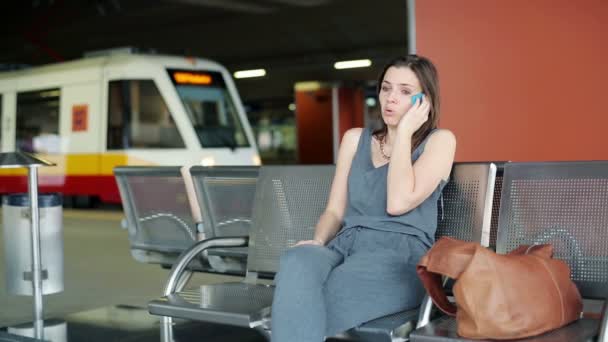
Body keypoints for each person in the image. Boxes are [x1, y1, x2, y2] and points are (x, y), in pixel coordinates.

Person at [270, 55, 457, 342]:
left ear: (425, 101)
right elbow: (334, 211)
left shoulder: (440, 141)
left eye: (405, 92)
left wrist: (404, 133)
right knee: (298, 258)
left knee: (312, 300)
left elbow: (398, 202)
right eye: (386, 88)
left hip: (398, 256)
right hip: (345, 245)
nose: (391, 98)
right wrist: (319, 242)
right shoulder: (355, 139)